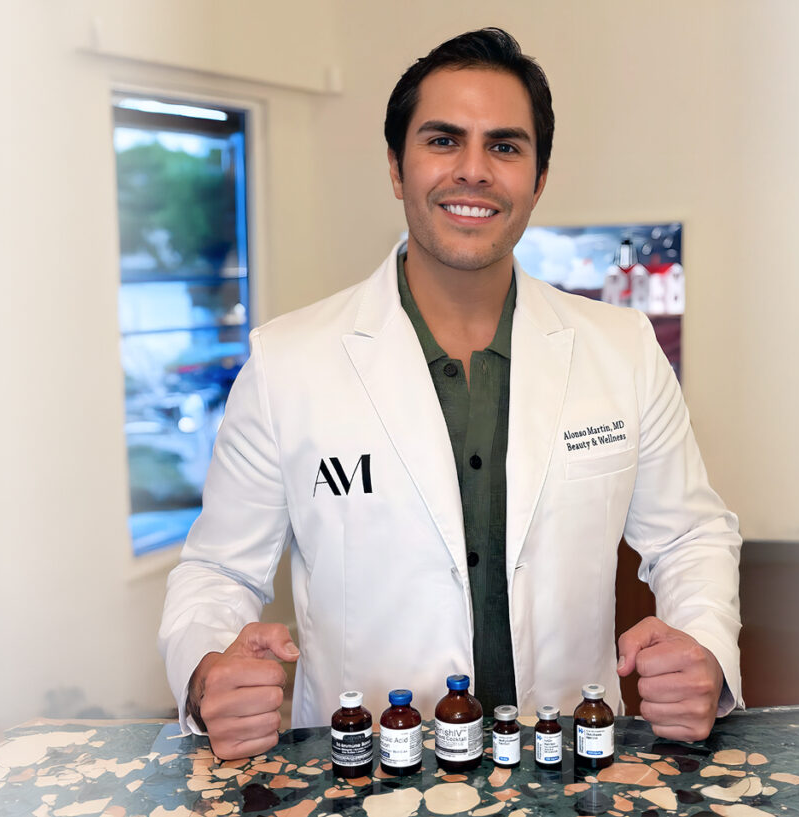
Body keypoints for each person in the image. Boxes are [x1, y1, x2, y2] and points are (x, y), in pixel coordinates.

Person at [159, 27, 742, 761]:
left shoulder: (621, 350)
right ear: (396, 168)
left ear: (538, 178)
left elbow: (690, 536)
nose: (473, 171)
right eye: (443, 141)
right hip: (365, 771)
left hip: (569, 765)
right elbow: (217, 569)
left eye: (505, 146)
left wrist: (703, 647)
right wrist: (207, 671)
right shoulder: (287, 364)